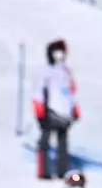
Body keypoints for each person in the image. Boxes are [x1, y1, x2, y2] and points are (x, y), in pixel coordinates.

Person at [34, 40, 80, 180]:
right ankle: (44, 171)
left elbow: (71, 92)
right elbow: (38, 91)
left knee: (62, 143)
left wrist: (75, 108)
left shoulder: (66, 72)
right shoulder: (45, 71)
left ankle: (62, 171)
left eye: (62, 53)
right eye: (57, 52)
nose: (60, 56)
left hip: (64, 113)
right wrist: (39, 108)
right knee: (45, 142)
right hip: (51, 111)